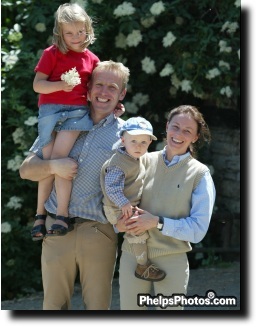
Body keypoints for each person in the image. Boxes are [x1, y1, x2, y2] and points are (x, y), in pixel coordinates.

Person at [19, 60, 130, 310]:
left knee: (97, 308)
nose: (104, 92)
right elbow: (26, 170)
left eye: (112, 87)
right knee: (54, 307)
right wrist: (53, 166)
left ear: (122, 93)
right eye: (99, 84)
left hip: (99, 230)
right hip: (56, 229)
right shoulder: (61, 122)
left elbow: (138, 182)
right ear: (88, 88)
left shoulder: (126, 137)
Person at [116, 105, 216, 310]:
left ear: (195, 137)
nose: (179, 134)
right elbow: (117, 197)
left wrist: (157, 222)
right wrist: (118, 223)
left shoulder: (200, 174)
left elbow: (198, 230)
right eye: (175, 127)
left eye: (187, 131)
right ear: (167, 126)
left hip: (172, 259)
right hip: (132, 255)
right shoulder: (141, 160)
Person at [30, 3, 99, 241]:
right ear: (60, 33)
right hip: (49, 110)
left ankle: (61, 215)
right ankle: (40, 215)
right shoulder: (52, 53)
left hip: (76, 113)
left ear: (88, 29)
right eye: (69, 33)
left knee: (58, 160)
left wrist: (113, 104)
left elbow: (95, 90)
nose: (76, 37)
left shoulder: (92, 59)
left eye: (80, 31)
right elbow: (38, 85)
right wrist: (61, 84)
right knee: (48, 162)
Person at [101, 116, 166, 282]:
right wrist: (124, 203)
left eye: (143, 142)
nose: (138, 146)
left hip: (125, 204)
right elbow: (111, 187)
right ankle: (142, 266)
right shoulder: (118, 163)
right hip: (116, 206)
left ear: (149, 143)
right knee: (137, 229)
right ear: (123, 140)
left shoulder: (135, 158)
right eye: (133, 141)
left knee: (141, 224)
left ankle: (142, 260)